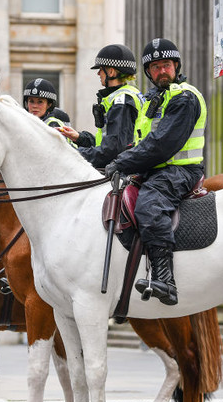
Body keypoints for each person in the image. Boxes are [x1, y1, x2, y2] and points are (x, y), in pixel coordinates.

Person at [103, 38, 208, 306]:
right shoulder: (153, 100)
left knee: (149, 206)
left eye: (167, 65)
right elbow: (141, 141)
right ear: (149, 72)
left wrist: (123, 162)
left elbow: (161, 145)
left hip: (179, 171)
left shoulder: (185, 97)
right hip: (154, 169)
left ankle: (165, 280)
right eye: (156, 66)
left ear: (176, 66)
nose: (162, 70)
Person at [59, 44, 144, 169]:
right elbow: (109, 143)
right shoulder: (128, 94)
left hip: (123, 171)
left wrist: (71, 154)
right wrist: (79, 138)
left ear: (111, 71)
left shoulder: (121, 101)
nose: (98, 73)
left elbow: (111, 151)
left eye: (101, 69)